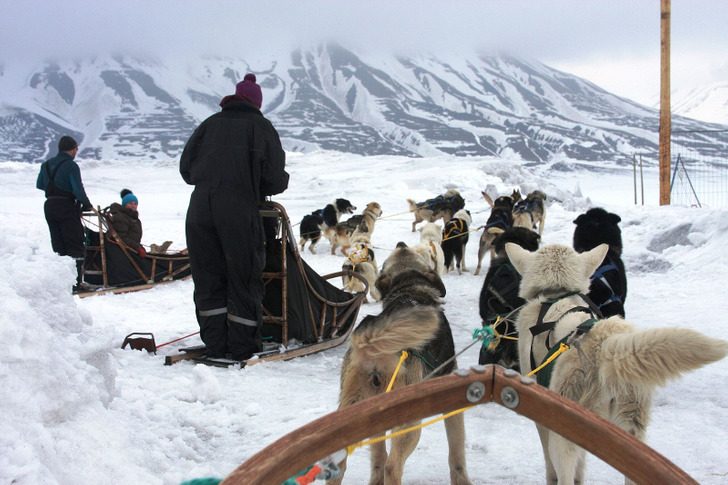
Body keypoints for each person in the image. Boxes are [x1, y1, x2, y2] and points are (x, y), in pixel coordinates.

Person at [180, 73, 289, 360]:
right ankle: (241, 347)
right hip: (239, 210)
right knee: (243, 277)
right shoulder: (261, 128)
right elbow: (274, 180)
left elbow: (186, 170)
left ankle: (215, 343)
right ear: (256, 102)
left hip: (200, 210)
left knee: (208, 277)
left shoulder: (208, 125)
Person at [36, 135, 93, 291]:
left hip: (49, 206)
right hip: (66, 206)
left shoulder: (46, 165)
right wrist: (87, 204)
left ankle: (62, 284)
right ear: (73, 149)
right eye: (76, 149)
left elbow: (40, 185)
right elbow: (77, 189)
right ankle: (76, 283)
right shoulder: (71, 166)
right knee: (75, 244)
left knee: (59, 245)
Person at [109, 189, 146, 257]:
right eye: (130, 203)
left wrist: (139, 247)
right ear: (124, 204)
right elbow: (121, 237)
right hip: (122, 252)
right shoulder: (120, 217)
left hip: (130, 250)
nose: (133, 205)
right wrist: (137, 247)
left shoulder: (134, 218)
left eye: (135, 204)